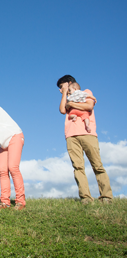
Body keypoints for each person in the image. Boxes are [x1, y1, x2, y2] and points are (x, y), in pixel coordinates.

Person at [57, 75, 113, 204]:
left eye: (61, 87)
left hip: (88, 133)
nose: (60, 90)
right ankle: (86, 198)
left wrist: (71, 104)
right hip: (71, 136)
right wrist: (65, 93)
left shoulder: (85, 92)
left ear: (69, 82)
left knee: (97, 165)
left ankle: (106, 197)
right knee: (78, 167)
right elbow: (61, 110)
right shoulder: (66, 97)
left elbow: (89, 106)